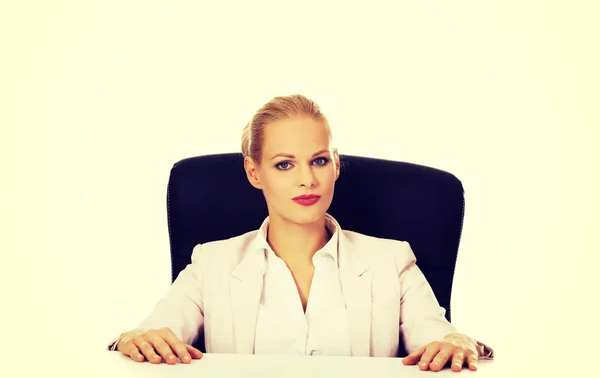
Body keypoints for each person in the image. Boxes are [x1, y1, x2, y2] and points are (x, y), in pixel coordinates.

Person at [107, 95, 494, 372]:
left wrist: (454, 342)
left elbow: (436, 336)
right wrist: (134, 338)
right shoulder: (212, 263)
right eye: (284, 164)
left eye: (319, 161)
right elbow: (156, 331)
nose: (307, 179)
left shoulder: (391, 261)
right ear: (254, 173)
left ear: (336, 166)